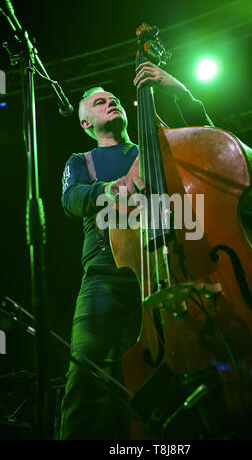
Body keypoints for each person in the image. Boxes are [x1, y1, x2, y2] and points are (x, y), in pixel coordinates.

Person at [59, 61, 214, 440]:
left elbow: (210, 138)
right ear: (85, 124)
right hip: (107, 278)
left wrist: (177, 90)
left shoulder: (159, 147)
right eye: (98, 102)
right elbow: (71, 199)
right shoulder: (82, 162)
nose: (110, 102)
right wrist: (111, 190)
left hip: (172, 270)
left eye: (112, 98)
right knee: (89, 372)